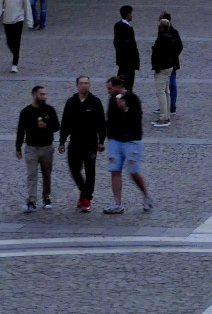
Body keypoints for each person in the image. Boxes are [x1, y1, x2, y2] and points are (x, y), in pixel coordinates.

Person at [102, 76, 152, 214]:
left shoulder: (133, 98)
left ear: (118, 87)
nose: (108, 91)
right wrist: (108, 137)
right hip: (116, 140)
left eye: (110, 88)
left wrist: (125, 109)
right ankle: (117, 203)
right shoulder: (112, 100)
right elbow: (110, 118)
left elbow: (137, 118)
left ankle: (146, 195)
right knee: (115, 170)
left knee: (133, 171)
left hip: (132, 140)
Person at [59, 76, 106, 212]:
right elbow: (65, 122)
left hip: (91, 143)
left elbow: (101, 123)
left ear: (90, 85)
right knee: (74, 169)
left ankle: (86, 199)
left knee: (90, 171)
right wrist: (62, 141)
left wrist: (101, 141)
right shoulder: (71, 102)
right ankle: (83, 189)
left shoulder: (95, 102)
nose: (84, 85)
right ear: (77, 85)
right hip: (75, 142)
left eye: (86, 83)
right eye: (81, 83)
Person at [15, 85, 59, 212]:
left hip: (47, 147)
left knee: (47, 174)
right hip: (31, 148)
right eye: (42, 94)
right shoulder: (26, 111)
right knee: (32, 174)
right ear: (35, 96)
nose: (44, 97)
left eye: (45, 94)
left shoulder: (50, 110)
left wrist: (46, 125)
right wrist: (18, 147)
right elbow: (20, 130)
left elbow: (56, 127)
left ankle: (46, 196)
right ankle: (31, 200)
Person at [149, 18, 182, 128]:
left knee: (161, 92)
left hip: (162, 68)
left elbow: (158, 54)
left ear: (160, 27)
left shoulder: (162, 38)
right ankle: (166, 115)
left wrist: (157, 67)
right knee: (166, 91)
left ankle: (163, 118)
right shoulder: (171, 37)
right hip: (169, 67)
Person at [1, 0, 33, 73]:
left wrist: (29, 22)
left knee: (16, 42)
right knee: (9, 42)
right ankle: (16, 53)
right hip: (7, 20)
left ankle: (15, 63)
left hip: (18, 20)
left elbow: (27, 7)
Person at [113, 6, 139, 89]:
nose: (132, 16)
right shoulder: (127, 29)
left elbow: (116, 43)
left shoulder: (118, 26)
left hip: (121, 63)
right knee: (128, 85)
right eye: (131, 14)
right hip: (128, 64)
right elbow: (130, 47)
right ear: (128, 14)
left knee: (121, 83)